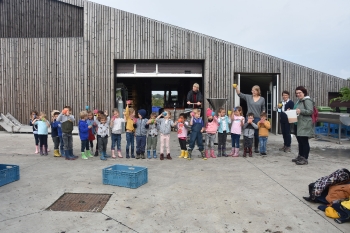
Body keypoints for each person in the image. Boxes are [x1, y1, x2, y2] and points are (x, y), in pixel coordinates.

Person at [234, 85, 266, 153]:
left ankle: (256, 147)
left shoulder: (262, 99)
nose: (252, 91)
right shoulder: (248, 97)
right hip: (248, 117)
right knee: (247, 133)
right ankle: (247, 147)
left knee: (256, 133)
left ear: (258, 91)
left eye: (254, 90)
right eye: (252, 90)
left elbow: (263, 108)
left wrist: (263, 117)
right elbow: (240, 94)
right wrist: (236, 88)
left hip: (257, 118)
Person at [292, 86, 314, 165]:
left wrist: (301, 111)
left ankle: (305, 158)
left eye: (300, 93)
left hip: (304, 124)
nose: (298, 94)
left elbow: (310, 111)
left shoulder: (307, 101)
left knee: (304, 142)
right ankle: (300, 156)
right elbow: (296, 110)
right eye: (297, 93)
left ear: (304, 92)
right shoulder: (299, 101)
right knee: (300, 141)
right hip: (298, 123)